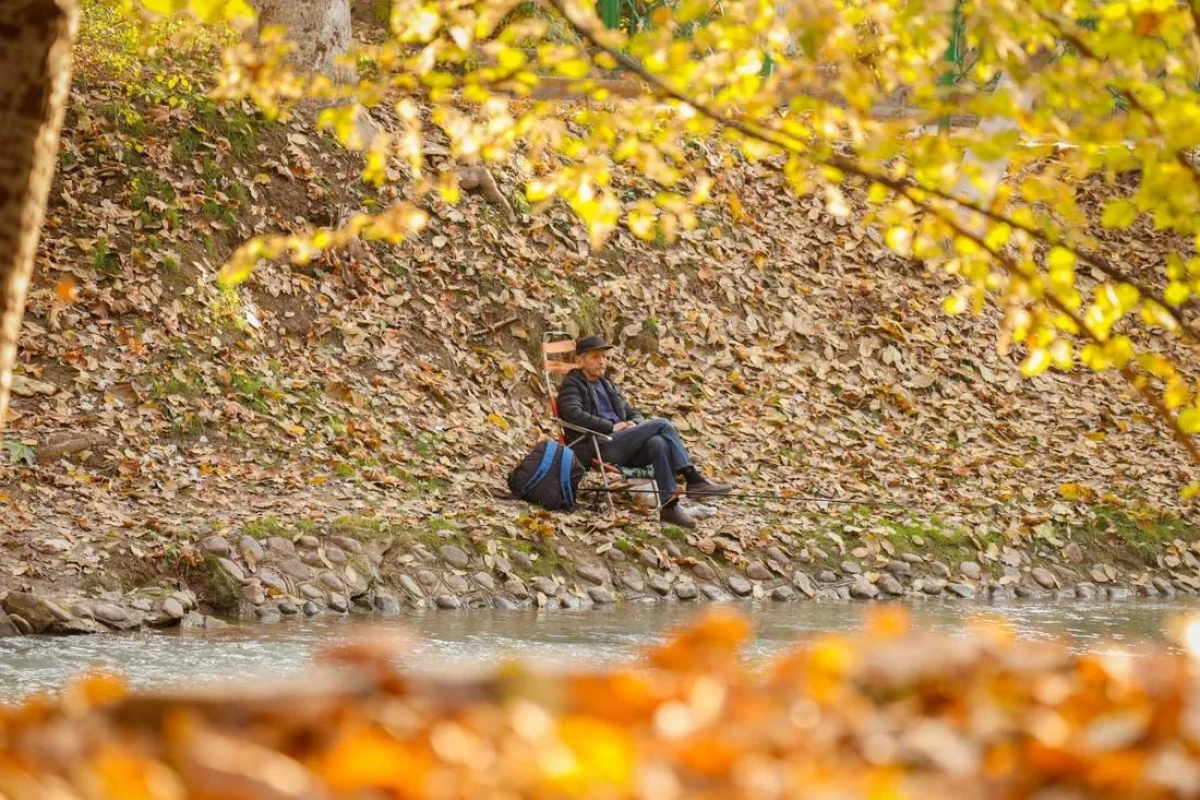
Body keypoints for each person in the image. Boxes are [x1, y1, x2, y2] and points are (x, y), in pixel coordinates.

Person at [556, 335, 732, 528]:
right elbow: (572, 414)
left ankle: (669, 507)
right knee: (662, 424)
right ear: (579, 361)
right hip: (599, 444)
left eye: (604, 357)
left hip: (624, 444)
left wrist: (635, 423)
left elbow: (632, 412)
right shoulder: (573, 383)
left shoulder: (607, 384)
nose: (602, 361)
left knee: (659, 443)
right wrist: (611, 426)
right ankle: (693, 478)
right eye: (595, 357)